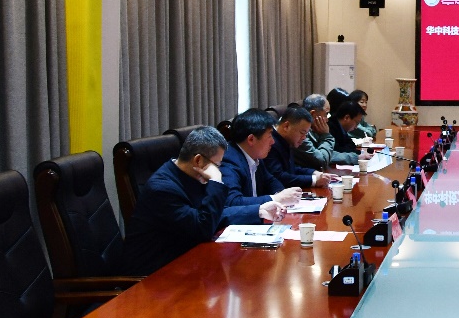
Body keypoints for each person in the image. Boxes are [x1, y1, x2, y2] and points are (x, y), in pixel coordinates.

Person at [124, 127, 280, 275]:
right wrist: (216, 182)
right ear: (198, 160)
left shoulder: (189, 176)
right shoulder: (162, 189)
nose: (218, 171)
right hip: (153, 276)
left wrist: (258, 211)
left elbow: (213, 214)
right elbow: (203, 228)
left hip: (184, 263)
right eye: (216, 165)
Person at [219, 109, 302, 223]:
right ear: (251, 139)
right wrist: (276, 198)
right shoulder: (229, 161)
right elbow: (232, 202)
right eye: (269, 136)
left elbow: (270, 181)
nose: (273, 142)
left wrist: (281, 194)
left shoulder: (254, 155)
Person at [266, 106, 331, 189]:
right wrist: (314, 180)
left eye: (306, 134)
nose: (304, 138)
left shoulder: (286, 140)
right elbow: (278, 176)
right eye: (302, 133)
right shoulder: (270, 143)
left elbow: (291, 169)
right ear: (286, 126)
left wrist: (314, 173)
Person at [296, 93, 365, 168]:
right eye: (326, 114)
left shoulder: (314, 129)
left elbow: (329, 154)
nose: (327, 119)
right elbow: (322, 160)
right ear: (313, 114)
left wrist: (356, 157)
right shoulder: (300, 133)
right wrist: (326, 136)